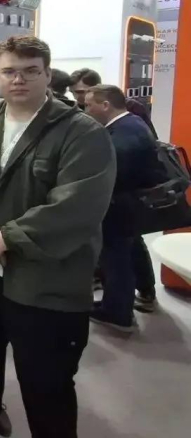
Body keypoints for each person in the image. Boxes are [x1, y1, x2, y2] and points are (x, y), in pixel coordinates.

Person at [0, 36, 116, 438]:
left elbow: (77, 205)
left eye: (31, 71)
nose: (19, 80)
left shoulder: (81, 133)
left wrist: (5, 240)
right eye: (10, 71)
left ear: (47, 75)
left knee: (46, 382)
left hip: (44, 284)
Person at [83, 84, 165, 333]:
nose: (86, 110)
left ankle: (117, 312)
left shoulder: (124, 133)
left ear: (105, 105)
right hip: (130, 204)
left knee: (116, 259)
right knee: (129, 251)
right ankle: (133, 297)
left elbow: (113, 173)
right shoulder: (132, 124)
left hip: (121, 205)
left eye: (89, 105)